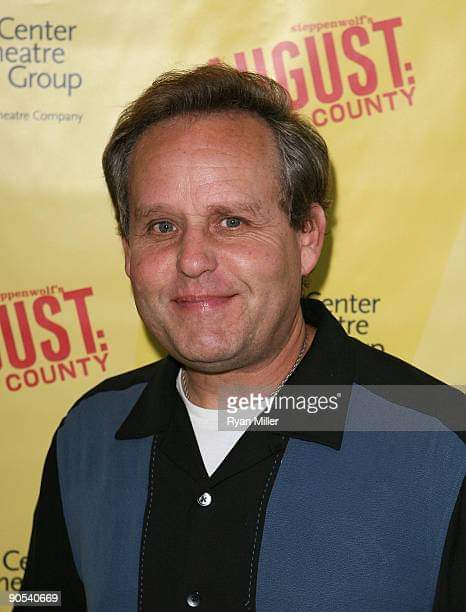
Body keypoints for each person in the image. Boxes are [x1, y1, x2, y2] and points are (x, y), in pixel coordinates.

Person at [17, 64, 465, 612]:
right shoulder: (88, 433)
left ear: (307, 237)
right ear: (128, 251)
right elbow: (43, 599)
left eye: (231, 221)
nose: (193, 259)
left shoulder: (445, 442)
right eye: (161, 226)